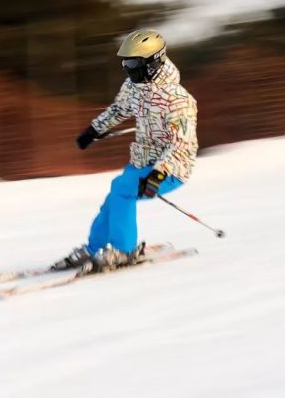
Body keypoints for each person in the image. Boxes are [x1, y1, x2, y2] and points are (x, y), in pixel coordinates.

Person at [52, 29, 198, 273]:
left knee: (121, 190)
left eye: (133, 62)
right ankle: (93, 247)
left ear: (153, 61)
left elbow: (180, 145)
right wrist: (93, 130)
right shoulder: (135, 86)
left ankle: (124, 250)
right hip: (141, 161)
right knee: (115, 197)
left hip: (172, 168)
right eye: (125, 63)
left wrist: (158, 175)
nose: (128, 69)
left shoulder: (178, 100)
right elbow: (118, 110)